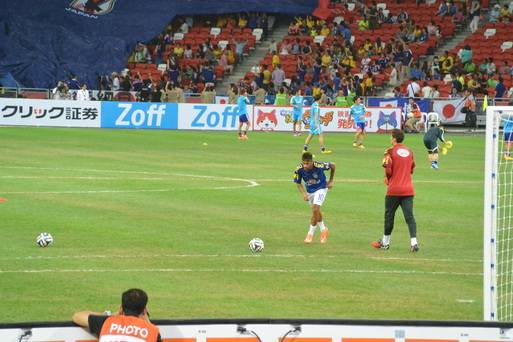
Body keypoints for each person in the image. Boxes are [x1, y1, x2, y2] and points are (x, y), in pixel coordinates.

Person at [372, 129, 419, 252]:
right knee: (410, 217)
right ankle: (414, 243)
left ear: (393, 138)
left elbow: (388, 170)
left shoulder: (389, 151)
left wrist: (389, 179)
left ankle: (385, 243)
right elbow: (412, 169)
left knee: (389, 215)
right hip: (408, 189)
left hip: (394, 190)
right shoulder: (409, 152)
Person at [72, 288, 161, 342]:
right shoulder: (152, 331)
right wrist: (147, 321)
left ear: (121, 308)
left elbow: (77, 316)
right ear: (145, 310)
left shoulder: (107, 322)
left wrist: (111, 315)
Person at [293, 151, 336, 244]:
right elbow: (298, 183)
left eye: (307, 163)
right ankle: (323, 229)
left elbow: (333, 165)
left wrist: (331, 181)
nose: (305, 165)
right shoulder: (299, 169)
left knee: (315, 209)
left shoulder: (319, 166)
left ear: (312, 162)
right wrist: (304, 193)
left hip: (321, 188)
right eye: (304, 163)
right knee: (316, 211)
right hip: (310, 191)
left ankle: (310, 234)